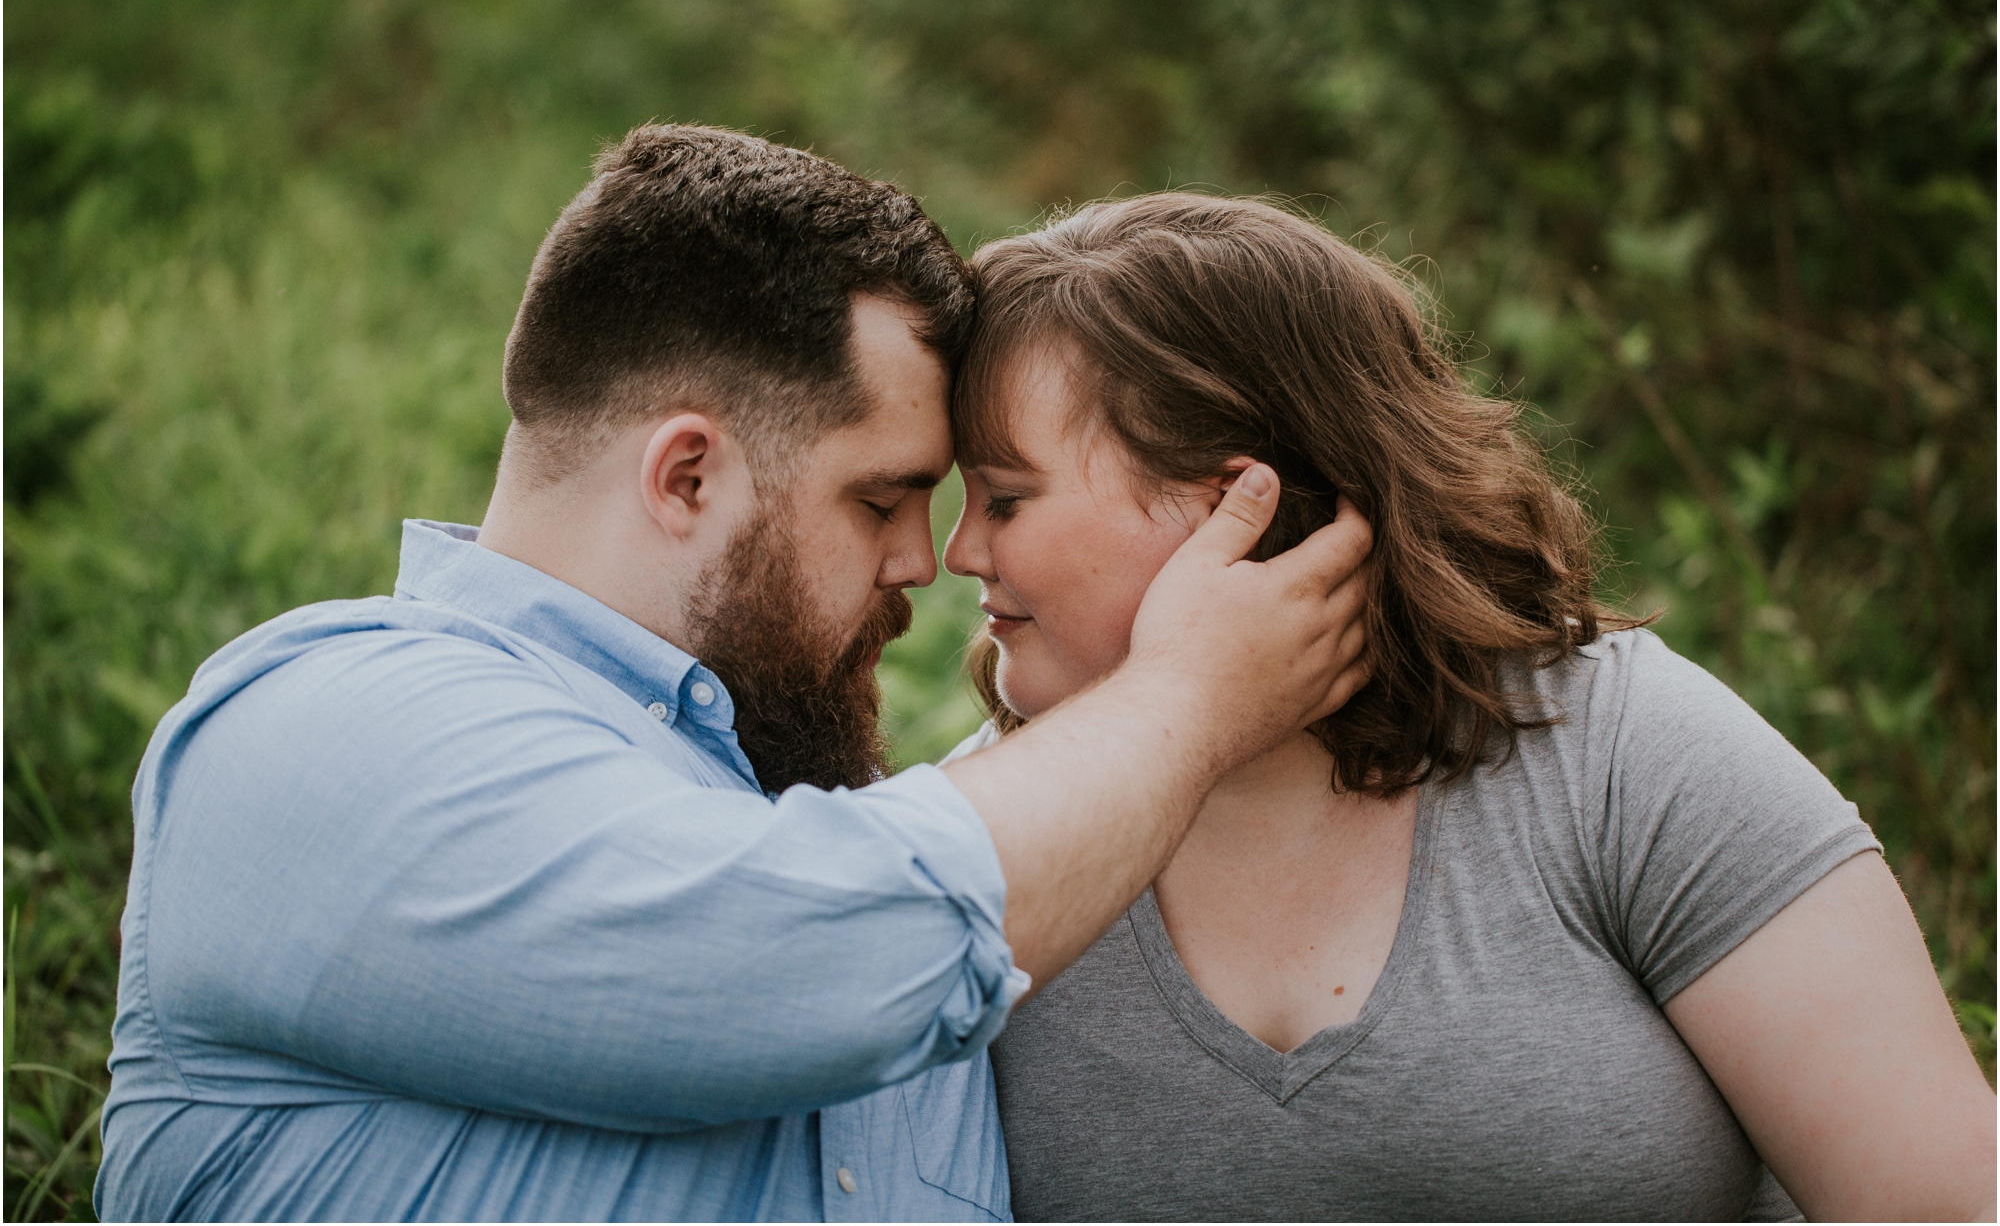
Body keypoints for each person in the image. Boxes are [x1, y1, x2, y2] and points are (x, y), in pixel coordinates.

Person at [94, 132, 1375, 1222]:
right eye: (879, 500)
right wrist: (1192, 697)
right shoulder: (322, 723)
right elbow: (797, 960)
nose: (921, 566)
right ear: (687, 475)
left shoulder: (816, 828)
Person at [942, 192, 1997, 1223]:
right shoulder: (974, 848)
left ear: (1232, 502)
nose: (960, 552)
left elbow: (1938, 1204)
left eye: (1004, 497)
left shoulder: (1617, 753)